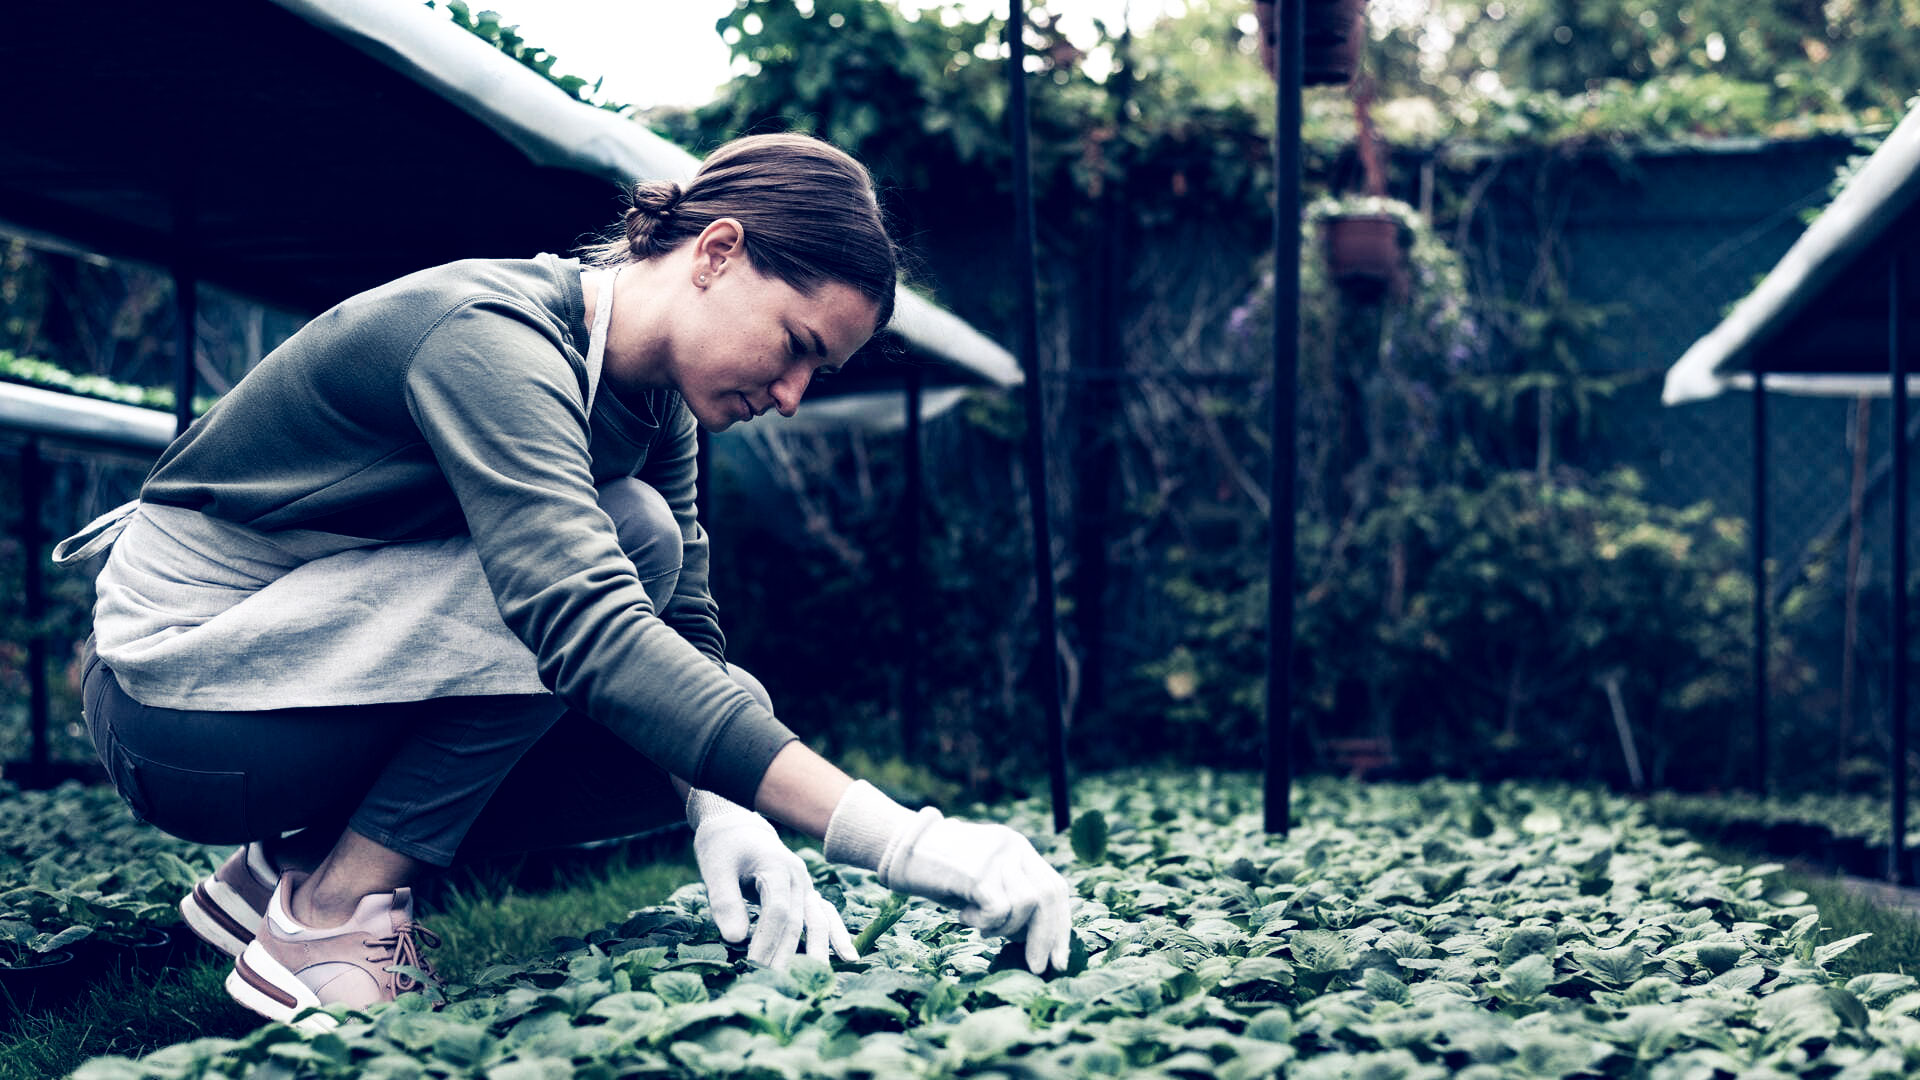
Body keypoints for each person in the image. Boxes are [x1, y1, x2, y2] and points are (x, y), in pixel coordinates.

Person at [55, 132, 1072, 1030]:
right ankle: (329, 916)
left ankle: (282, 875)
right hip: (173, 703)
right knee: (622, 554)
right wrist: (897, 840)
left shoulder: (650, 406)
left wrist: (731, 811)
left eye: (821, 373)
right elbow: (581, 620)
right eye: (798, 346)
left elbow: (684, 632)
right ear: (717, 252)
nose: (797, 397)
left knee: (683, 710)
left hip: (284, 690)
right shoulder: (489, 337)